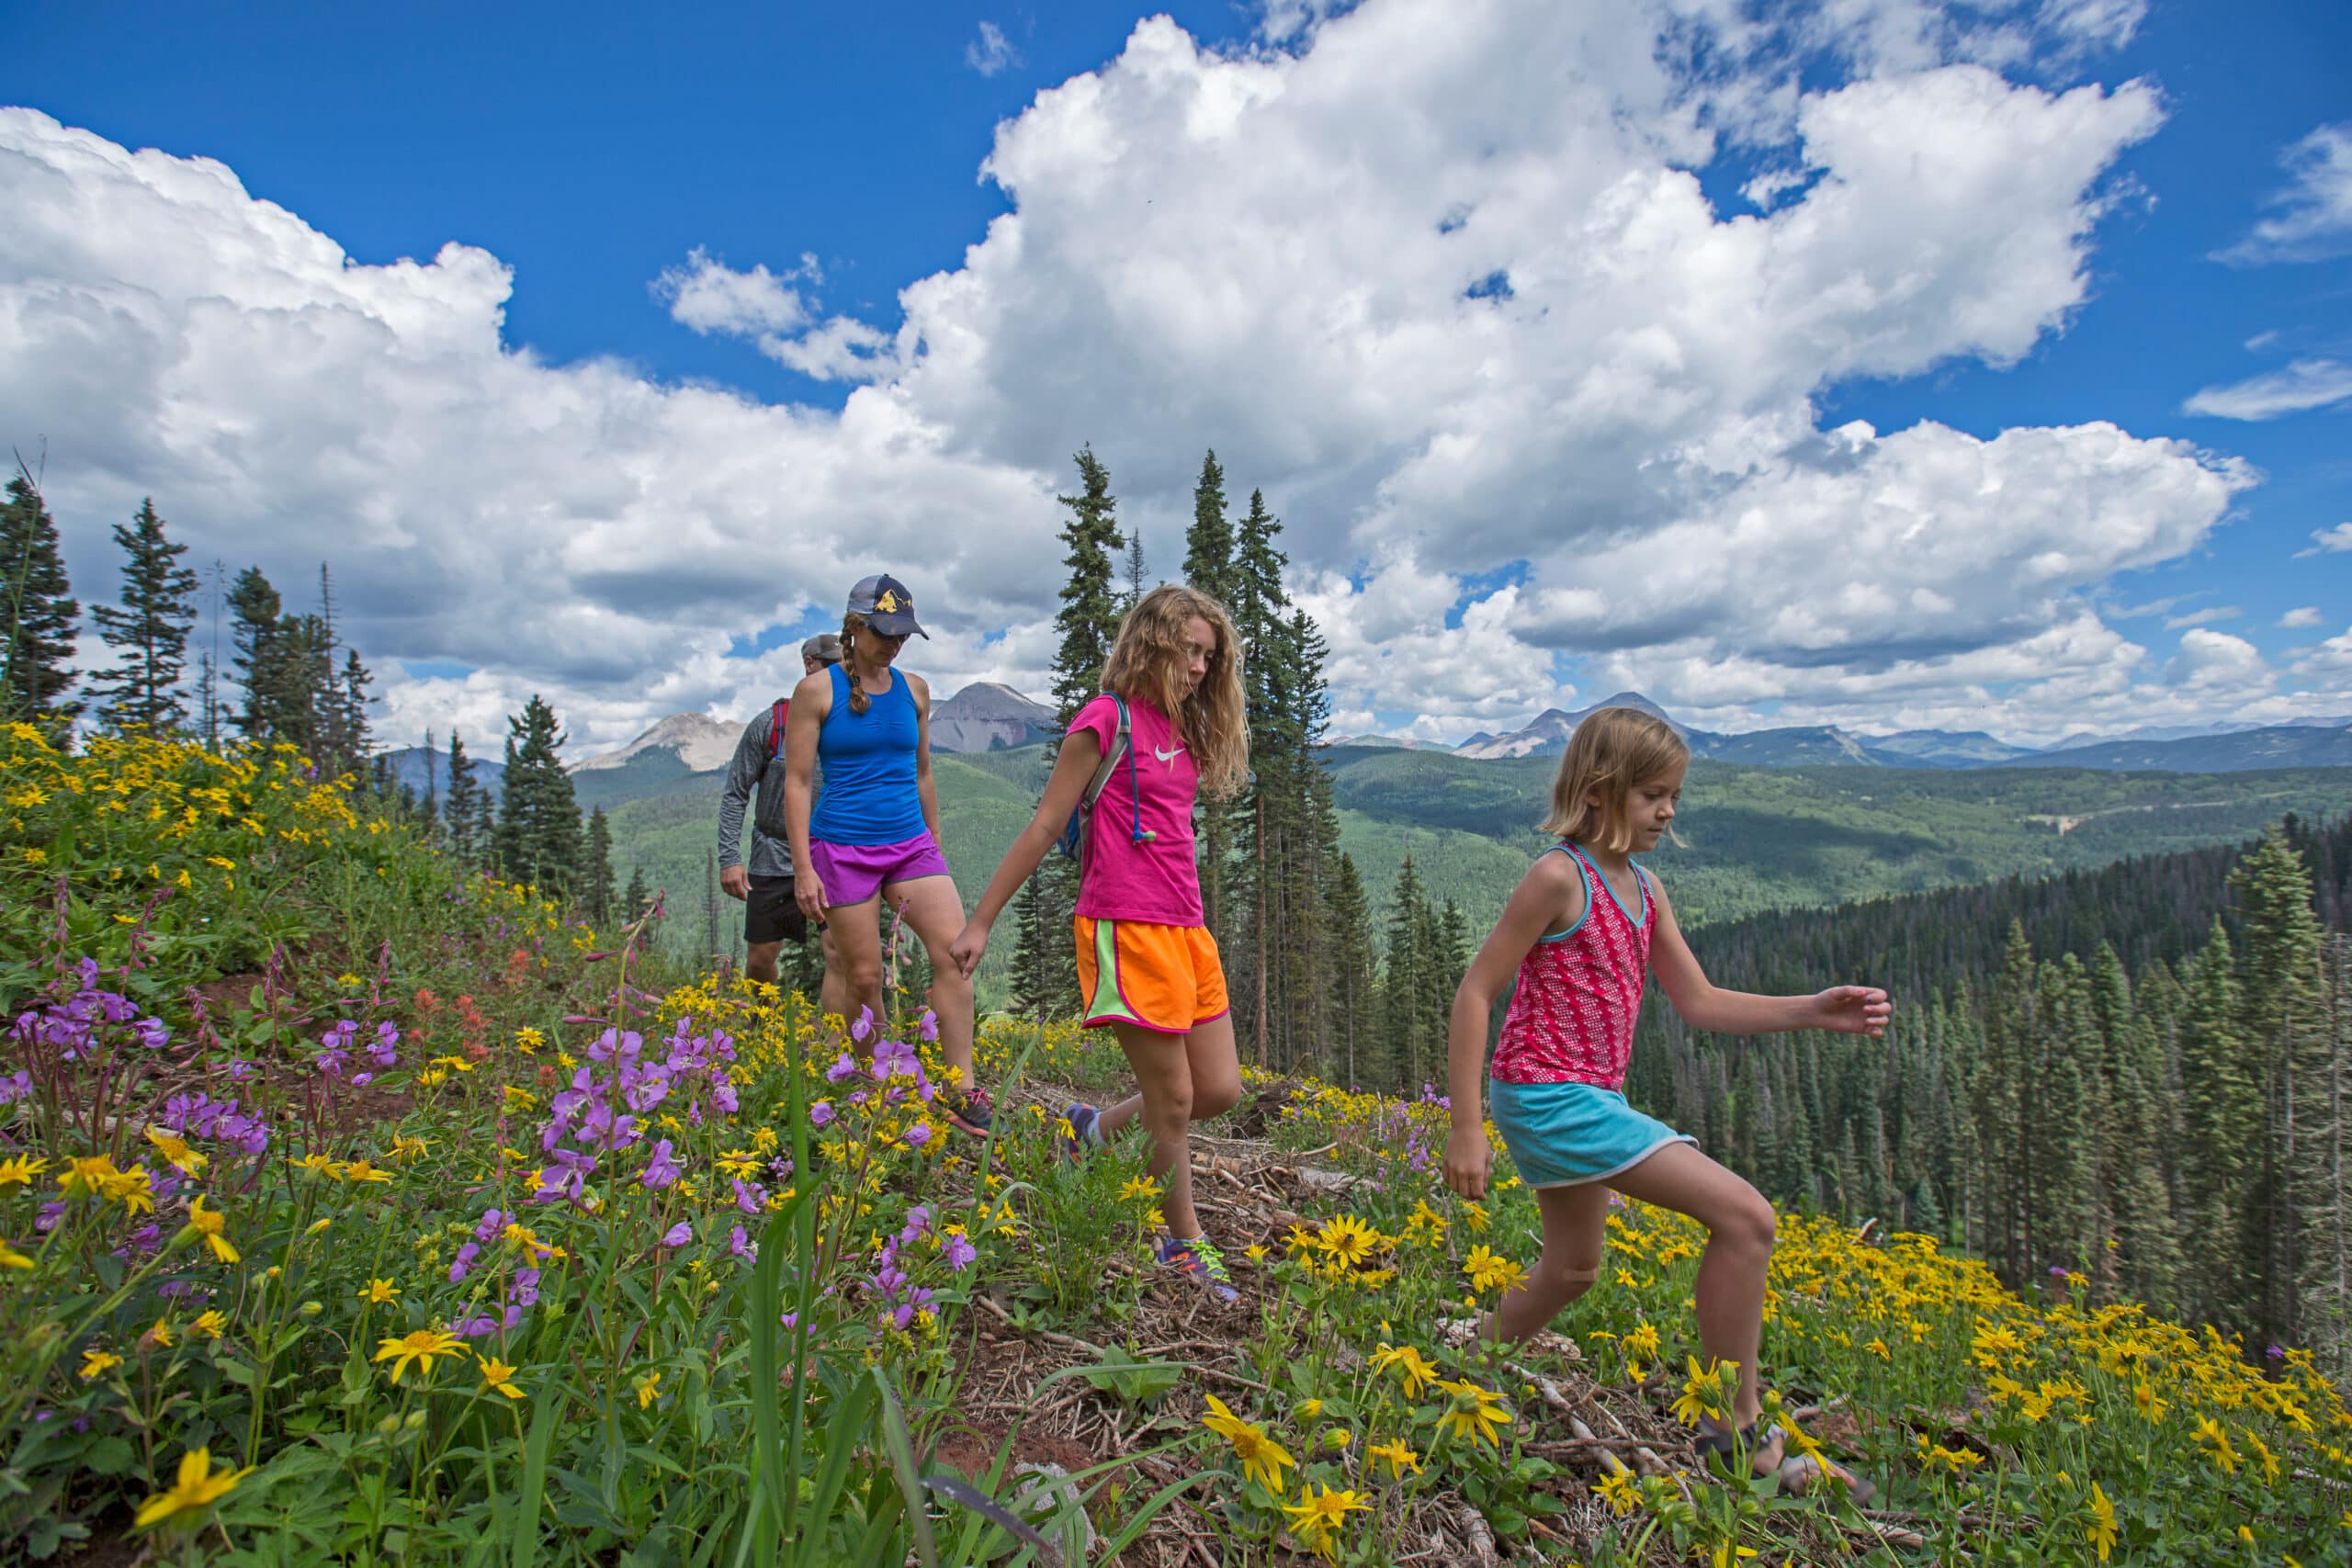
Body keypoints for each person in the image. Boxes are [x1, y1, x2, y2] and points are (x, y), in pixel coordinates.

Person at [1441, 706, 1886, 1496]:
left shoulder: (1646, 891)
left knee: (1574, 1269)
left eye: (1673, 794)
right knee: (1747, 1219)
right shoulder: (1557, 876)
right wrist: (1466, 1125)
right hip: (1548, 1094)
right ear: (1602, 791)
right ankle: (1735, 1429)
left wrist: (1813, 1008)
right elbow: (1477, 990)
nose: (1668, 810)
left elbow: (1701, 1000)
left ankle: (1467, 1350)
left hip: (1580, 1094)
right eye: (1653, 794)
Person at [950, 584, 1250, 1301]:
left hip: (1187, 930)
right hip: (1124, 926)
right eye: (1190, 651)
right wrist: (981, 920)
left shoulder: (1184, 731)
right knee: (1173, 1097)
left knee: (1218, 1088)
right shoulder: (1104, 720)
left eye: (1211, 656)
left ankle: (1089, 1130)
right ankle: (1182, 1243)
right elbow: (1046, 825)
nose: (1202, 667)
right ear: (1152, 643)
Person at [783, 576, 991, 1135]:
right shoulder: (816, 693)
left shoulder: (914, 690)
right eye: (883, 632)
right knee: (865, 976)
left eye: (903, 635)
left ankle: (960, 1087)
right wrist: (804, 868)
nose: (893, 644)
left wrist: (935, 837)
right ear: (854, 628)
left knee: (953, 955)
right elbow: (798, 782)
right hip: (843, 848)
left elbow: (923, 772)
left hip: (910, 844)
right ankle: (878, 1085)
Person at [718, 635, 845, 1012]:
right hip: (772, 857)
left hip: (829, 856)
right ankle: (764, 1032)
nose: (843, 675)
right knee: (760, 960)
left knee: (838, 954)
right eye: (834, 665)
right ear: (810, 664)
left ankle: (832, 1050)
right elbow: (735, 792)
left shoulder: (846, 721)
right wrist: (729, 857)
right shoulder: (769, 725)